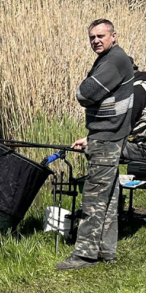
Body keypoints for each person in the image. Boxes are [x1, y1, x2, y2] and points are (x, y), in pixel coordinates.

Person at [56, 19, 134, 271]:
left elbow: (85, 93)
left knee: (94, 198)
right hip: (106, 136)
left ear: (114, 36)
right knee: (109, 196)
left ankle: (84, 255)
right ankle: (106, 251)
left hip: (107, 138)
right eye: (92, 37)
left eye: (101, 36)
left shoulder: (113, 61)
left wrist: (82, 93)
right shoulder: (111, 58)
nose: (96, 40)